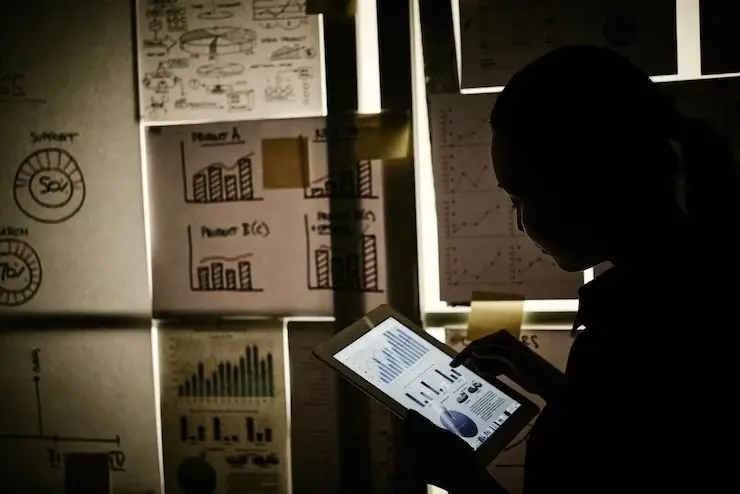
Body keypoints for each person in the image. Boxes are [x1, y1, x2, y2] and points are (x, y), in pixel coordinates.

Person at [399, 45, 740, 494]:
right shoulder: (696, 274)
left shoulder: (646, 322)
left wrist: (458, 477)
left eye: (522, 196)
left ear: (591, 181)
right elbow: (632, 436)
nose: (520, 222)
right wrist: (548, 383)